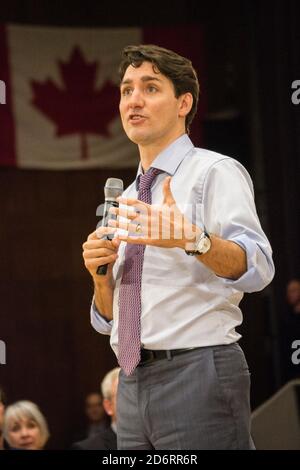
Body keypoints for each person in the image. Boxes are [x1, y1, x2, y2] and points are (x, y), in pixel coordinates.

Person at [82, 44, 275, 450]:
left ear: (184, 102)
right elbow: (107, 320)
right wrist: (100, 278)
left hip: (198, 370)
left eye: (150, 88)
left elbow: (258, 267)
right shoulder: (129, 194)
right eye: (126, 89)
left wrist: (193, 239)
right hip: (130, 380)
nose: (133, 99)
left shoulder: (215, 171)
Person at [71, 368, 119, 450]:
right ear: (108, 406)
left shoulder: (148, 442)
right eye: (126, 396)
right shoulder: (84, 447)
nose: (94, 410)